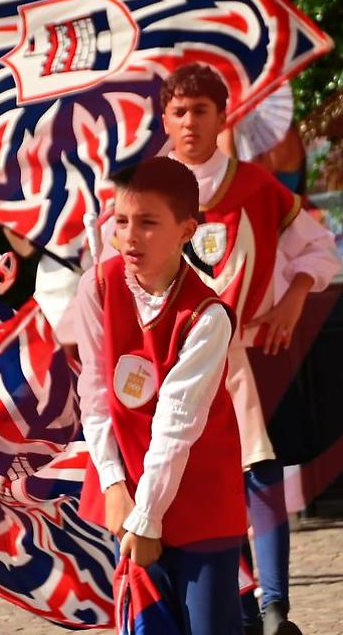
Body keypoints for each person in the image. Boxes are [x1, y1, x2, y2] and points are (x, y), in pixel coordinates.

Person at [159, 63, 340, 635]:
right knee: (199, 479)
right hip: (181, 362)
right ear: (165, 119)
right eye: (179, 112)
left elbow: (320, 248)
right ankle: (241, 595)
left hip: (253, 352)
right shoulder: (150, 192)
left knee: (260, 472)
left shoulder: (258, 188)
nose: (190, 123)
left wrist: (293, 299)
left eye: (202, 111)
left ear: (223, 117)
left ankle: (275, 606)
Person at [74, 157, 247, 635]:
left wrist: (148, 520)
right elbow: (93, 394)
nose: (130, 237)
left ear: (186, 230)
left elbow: (177, 426)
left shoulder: (207, 316)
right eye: (122, 221)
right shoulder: (98, 286)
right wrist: (113, 486)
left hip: (198, 500)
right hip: (127, 494)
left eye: (148, 223)